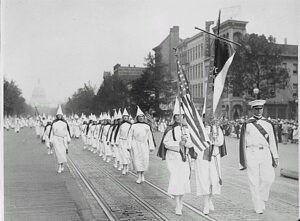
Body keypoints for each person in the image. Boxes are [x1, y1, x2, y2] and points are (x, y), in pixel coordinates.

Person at [157, 98, 196, 215]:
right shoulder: (170, 129)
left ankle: (181, 201)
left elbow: (191, 143)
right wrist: (178, 144)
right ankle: (177, 204)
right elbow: (166, 143)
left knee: (183, 180)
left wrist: (186, 143)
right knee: (175, 178)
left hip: (184, 158)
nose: (179, 118)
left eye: (181, 115)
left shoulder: (187, 129)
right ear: (174, 117)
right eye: (177, 116)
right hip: (174, 157)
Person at [239, 100, 279, 214]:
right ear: (253, 110)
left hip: (265, 152)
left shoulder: (268, 123)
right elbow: (242, 142)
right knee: (254, 180)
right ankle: (257, 204)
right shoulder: (247, 124)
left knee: (268, 179)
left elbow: (272, 141)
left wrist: (275, 156)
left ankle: (261, 197)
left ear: (263, 109)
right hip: (251, 152)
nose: (258, 110)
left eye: (260, 108)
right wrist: (243, 159)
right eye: (256, 109)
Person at [194, 118, 226, 215]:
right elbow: (196, 142)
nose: (209, 120)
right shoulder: (199, 129)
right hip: (202, 158)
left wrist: (213, 140)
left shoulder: (217, 128)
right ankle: (206, 204)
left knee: (214, 180)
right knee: (204, 181)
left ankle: (210, 199)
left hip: (214, 157)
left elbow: (220, 142)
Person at [128, 106, 156, 184]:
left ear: (144, 118)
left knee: (144, 160)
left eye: (142, 117)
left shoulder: (147, 126)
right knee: (137, 160)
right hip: (135, 144)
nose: (141, 118)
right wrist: (129, 146)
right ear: (137, 118)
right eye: (139, 117)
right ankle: (138, 176)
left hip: (144, 145)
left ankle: (142, 174)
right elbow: (130, 136)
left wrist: (151, 146)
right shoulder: (133, 126)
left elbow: (150, 137)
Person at [49, 105, 71, 173]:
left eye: (60, 115)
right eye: (58, 115)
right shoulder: (54, 123)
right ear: (57, 116)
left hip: (62, 139)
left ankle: (62, 165)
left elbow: (67, 131)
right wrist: (51, 140)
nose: (59, 116)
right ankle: (59, 166)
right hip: (56, 139)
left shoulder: (64, 123)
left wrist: (68, 139)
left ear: (62, 116)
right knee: (58, 153)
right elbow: (52, 132)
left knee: (62, 153)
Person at [116, 108, 132, 174]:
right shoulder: (121, 125)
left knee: (127, 155)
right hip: (121, 141)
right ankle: (124, 167)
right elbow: (118, 134)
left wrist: (130, 143)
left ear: (128, 117)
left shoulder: (131, 125)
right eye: (124, 117)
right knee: (122, 155)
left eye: (126, 117)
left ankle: (127, 167)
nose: (125, 118)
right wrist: (117, 141)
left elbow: (131, 135)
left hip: (127, 141)